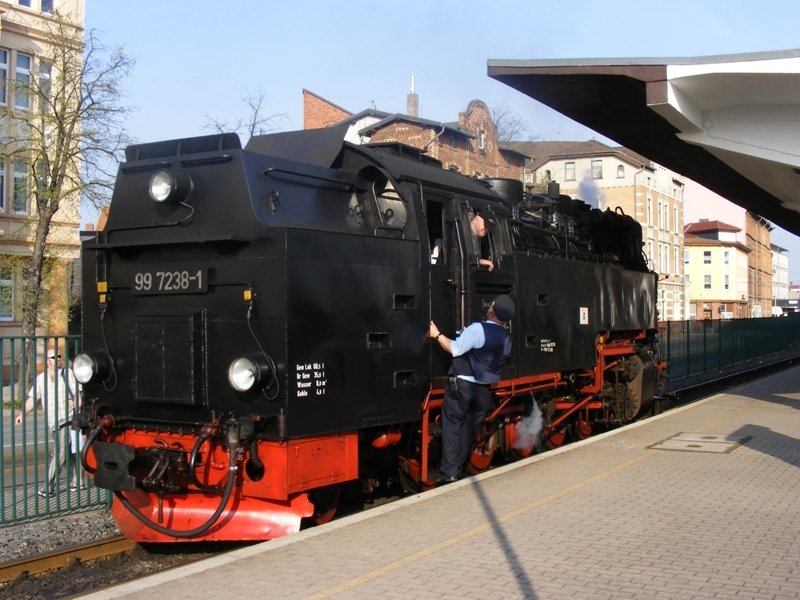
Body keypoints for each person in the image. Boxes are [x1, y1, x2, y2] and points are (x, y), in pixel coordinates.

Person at [429, 294, 515, 484]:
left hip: (463, 386)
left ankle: (449, 472)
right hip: (483, 390)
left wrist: (436, 334)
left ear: (492, 310)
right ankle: (457, 469)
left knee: (452, 424)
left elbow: (455, 349)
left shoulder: (477, 329)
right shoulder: (507, 337)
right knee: (469, 430)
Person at [15, 348, 81, 496]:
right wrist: (22, 415)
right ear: (47, 361)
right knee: (67, 454)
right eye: (53, 357)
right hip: (53, 423)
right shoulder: (41, 379)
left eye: (59, 356)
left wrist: (78, 404)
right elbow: (33, 399)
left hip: (68, 420)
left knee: (60, 454)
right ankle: (77, 482)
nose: (57, 359)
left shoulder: (68, 373)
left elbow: (78, 393)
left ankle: (48, 487)